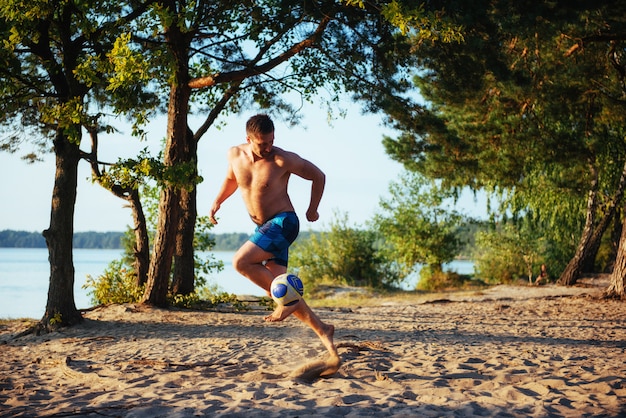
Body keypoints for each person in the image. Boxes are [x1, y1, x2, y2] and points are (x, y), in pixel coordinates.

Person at [209, 114, 338, 360]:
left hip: (283, 222)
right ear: (248, 139)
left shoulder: (282, 159)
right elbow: (230, 179)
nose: (268, 147)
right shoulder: (235, 155)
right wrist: (217, 201)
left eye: (271, 141)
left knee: (241, 262)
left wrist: (313, 208)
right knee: (278, 290)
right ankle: (323, 330)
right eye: (262, 144)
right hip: (265, 227)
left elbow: (318, 176)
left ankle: (287, 304)